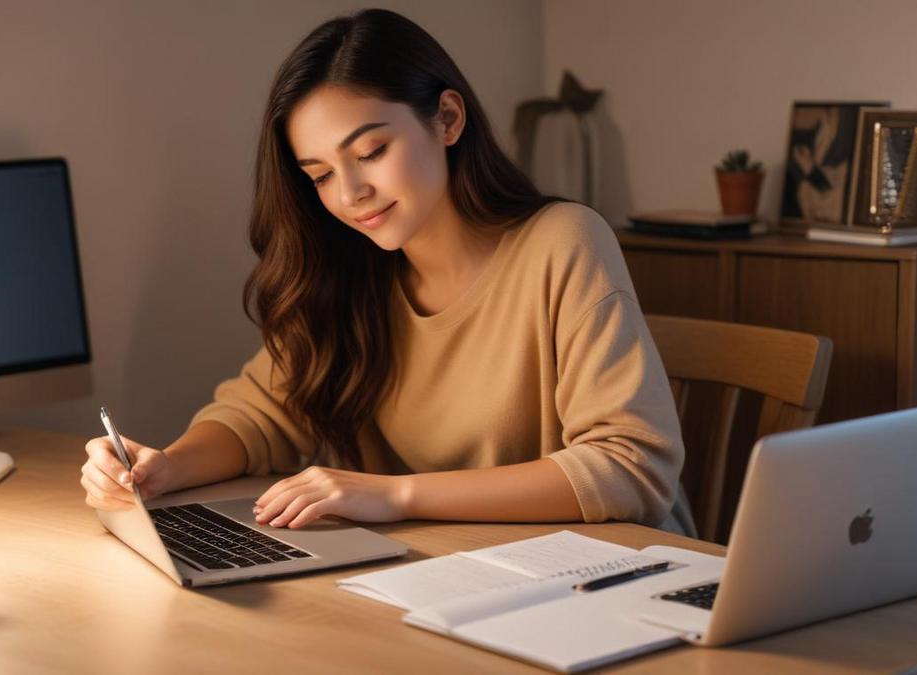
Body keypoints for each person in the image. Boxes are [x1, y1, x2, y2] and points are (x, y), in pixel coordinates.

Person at [81, 9, 688, 533]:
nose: (350, 194)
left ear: (447, 119)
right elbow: (260, 414)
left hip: (613, 581)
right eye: (319, 174)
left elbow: (630, 466)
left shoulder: (562, 243)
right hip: (448, 576)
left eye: (371, 152)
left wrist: (394, 494)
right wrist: (164, 467)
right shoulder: (347, 272)